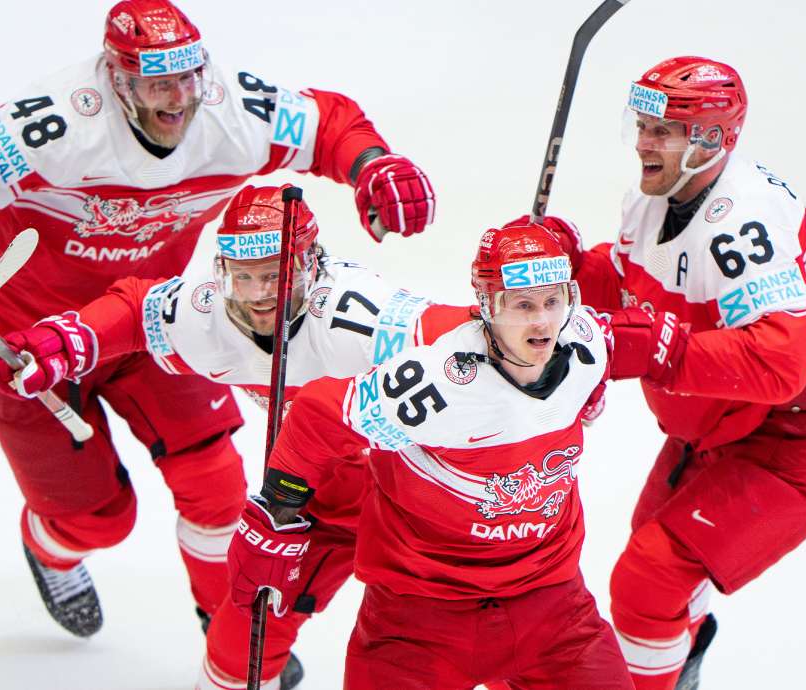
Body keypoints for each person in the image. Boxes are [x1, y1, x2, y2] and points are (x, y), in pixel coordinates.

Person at [0, 0, 436, 647]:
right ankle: (50, 547)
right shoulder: (59, 121)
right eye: (155, 82)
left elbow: (328, 123)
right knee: (99, 520)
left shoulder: (230, 110)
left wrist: (373, 164)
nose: (178, 99)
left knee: (218, 488)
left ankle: (230, 636)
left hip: (143, 317)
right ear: (114, 77)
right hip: (21, 339)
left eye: (187, 77)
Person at [0, 184, 469, 690]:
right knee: (237, 651)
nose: (259, 294)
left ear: (311, 265)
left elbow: (466, 340)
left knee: (480, 647)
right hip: (311, 504)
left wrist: (532, 318)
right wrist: (63, 342)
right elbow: (134, 309)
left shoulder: (359, 320)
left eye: (276, 275)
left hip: (427, 510)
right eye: (245, 275)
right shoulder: (209, 314)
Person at [536, 56, 806, 690]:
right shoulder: (656, 201)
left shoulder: (740, 221)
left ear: (710, 140)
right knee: (652, 549)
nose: (644, 143)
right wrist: (556, 266)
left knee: (650, 576)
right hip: (731, 417)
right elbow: (625, 287)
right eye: (642, 126)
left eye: (662, 131)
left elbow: (781, 363)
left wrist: (655, 351)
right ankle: (681, 661)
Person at [223, 219, 687, 689]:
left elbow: (644, 342)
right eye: (522, 305)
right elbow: (320, 414)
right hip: (419, 621)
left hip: (551, 609)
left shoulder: (584, 343)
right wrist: (278, 511)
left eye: (553, 301)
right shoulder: (438, 384)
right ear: (486, 306)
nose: (543, 322)